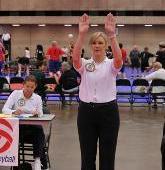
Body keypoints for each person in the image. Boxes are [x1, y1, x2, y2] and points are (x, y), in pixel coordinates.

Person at [72, 13, 122, 170]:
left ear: (105, 45)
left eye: (100, 42)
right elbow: (74, 59)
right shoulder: (85, 65)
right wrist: (81, 34)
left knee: (107, 155)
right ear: (91, 46)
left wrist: (112, 35)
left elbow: (119, 59)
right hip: (86, 112)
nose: (97, 45)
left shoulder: (111, 65)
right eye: (94, 43)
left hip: (109, 112)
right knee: (87, 155)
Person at [2, 75, 49, 170]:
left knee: (39, 131)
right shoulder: (15, 94)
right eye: (27, 86)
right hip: (17, 129)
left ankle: (37, 160)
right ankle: (16, 164)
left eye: (32, 87)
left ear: (35, 87)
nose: (29, 89)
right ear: (23, 85)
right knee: (12, 134)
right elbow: (4, 109)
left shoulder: (38, 98)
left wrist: (37, 113)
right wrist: (13, 112)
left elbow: (41, 114)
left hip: (32, 129)